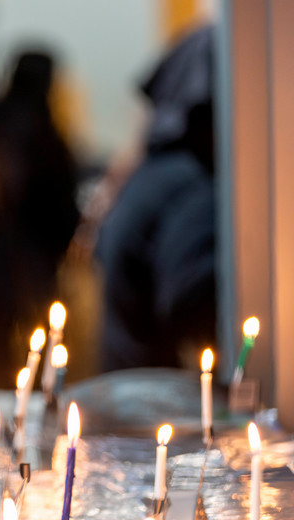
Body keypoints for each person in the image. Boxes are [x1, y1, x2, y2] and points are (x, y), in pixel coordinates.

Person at [95, 25, 216, 371]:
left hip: (124, 387)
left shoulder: (147, 178)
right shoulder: (192, 184)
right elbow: (191, 299)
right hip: (156, 400)